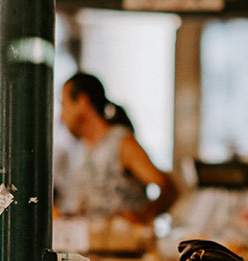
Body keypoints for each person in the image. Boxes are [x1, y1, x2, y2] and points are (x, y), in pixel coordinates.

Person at [57, 73, 177, 223]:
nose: (61, 116)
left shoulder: (122, 143)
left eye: (63, 104)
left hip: (124, 244)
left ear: (82, 101)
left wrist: (144, 215)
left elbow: (169, 188)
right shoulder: (83, 149)